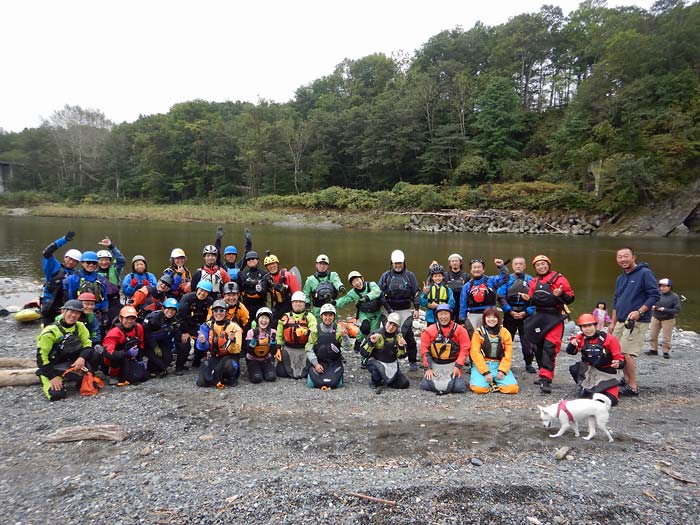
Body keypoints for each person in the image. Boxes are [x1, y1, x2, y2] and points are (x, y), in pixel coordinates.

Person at [609, 247, 659, 397]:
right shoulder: (620, 278)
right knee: (616, 350)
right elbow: (616, 300)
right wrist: (612, 322)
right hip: (621, 320)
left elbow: (654, 295)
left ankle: (633, 386)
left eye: (626, 256)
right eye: (620, 257)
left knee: (626, 353)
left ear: (633, 257)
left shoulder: (645, 273)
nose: (623, 259)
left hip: (637, 321)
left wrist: (640, 311)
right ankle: (625, 378)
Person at [522, 254, 575, 394]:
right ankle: (543, 373)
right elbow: (534, 300)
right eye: (538, 265)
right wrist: (528, 299)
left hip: (554, 318)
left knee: (549, 348)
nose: (541, 267)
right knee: (537, 347)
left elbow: (570, 298)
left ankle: (546, 379)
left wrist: (561, 294)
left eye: (543, 264)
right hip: (539, 316)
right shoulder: (534, 282)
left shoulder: (559, 279)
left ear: (548, 265)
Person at [36, 300, 102, 401]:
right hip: (54, 366)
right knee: (56, 395)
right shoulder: (50, 332)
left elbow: (88, 344)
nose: (73, 315)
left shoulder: (80, 326)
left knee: (95, 353)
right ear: (63, 311)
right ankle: (45, 376)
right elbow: (41, 357)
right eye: (71, 312)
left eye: (77, 313)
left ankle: (77, 376)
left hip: (72, 363)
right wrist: (52, 376)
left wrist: (81, 358)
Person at [566, 313, 625, 406]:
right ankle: (584, 386)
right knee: (574, 368)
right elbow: (571, 352)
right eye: (584, 327)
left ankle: (602, 389)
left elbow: (620, 359)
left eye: (590, 326)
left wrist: (618, 364)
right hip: (590, 370)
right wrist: (572, 344)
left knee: (612, 401)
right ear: (581, 328)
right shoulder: (580, 338)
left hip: (607, 372)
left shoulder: (610, 339)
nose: (588, 329)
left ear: (595, 325)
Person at [378, 249, 421, 371]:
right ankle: (388, 359)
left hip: (405, 309)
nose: (398, 266)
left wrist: (417, 308)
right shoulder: (385, 276)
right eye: (395, 263)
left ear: (404, 263)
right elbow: (379, 293)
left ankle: (412, 361)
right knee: (389, 335)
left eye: (400, 263)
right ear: (391, 263)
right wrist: (388, 309)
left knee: (408, 335)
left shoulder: (410, 276)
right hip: (389, 309)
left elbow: (416, 292)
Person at [497, 256, 536, 373]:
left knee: (528, 343)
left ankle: (528, 363)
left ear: (524, 266)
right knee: (506, 340)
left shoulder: (531, 280)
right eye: (516, 264)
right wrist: (509, 311)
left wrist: (526, 312)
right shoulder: (507, 280)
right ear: (512, 266)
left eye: (520, 264)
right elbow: (501, 297)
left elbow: (536, 299)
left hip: (526, 315)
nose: (518, 266)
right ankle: (504, 362)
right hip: (510, 315)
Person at [419, 304, 470, 394]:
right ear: (437, 316)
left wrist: (458, 366)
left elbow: (465, 349)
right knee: (425, 386)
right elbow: (424, 350)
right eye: (441, 314)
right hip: (435, 363)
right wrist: (428, 368)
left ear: (450, 315)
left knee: (459, 388)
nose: (443, 317)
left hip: (453, 363)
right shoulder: (429, 331)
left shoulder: (460, 330)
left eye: (446, 314)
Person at [195, 299, 244, 388]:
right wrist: (202, 342)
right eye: (215, 311)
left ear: (226, 312)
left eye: (221, 310)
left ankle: (230, 377)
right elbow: (202, 347)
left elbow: (237, 350)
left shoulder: (234, 327)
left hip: (229, 357)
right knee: (201, 382)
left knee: (229, 366)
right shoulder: (207, 326)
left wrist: (231, 342)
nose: (218, 313)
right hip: (215, 357)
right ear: (212, 312)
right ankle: (218, 377)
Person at [469, 308, 519, 394]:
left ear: (498, 319)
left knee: (512, 389)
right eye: (488, 317)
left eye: (494, 317)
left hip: (498, 364)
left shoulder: (504, 332)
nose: (491, 320)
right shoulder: (479, 332)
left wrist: (502, 370)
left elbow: (508, 353)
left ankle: (493, 381)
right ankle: (489, 381)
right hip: (483, 364)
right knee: (479, 389)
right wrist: (485, 372)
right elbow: (475, 353)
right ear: (484, 318)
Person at [336, 271, 383, 352]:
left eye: (357, 280)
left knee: (373, 333)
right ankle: (357, 344)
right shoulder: (353, 293)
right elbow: (344, 300)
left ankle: (369, 348)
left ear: (362, 279)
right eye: (354, 282)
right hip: (364, 313)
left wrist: (366, 298)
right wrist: (334, 303)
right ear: (352, 285)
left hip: (376, 313)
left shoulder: (371, 285)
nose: (357, 283)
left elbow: (377, 292)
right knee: (365, 327)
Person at [360, 312, 410, 390]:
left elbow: (401, 357)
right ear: (386, 321)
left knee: (404, 384)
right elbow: (363, 353)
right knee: (376, 375)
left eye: (394, 326)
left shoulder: (399, 337)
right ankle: (376, 381)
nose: (390, 327)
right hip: (376, 361)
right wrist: (371, 343)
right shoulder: (375, 333)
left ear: (398, 327)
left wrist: (401, 347)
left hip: (391, 363)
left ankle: (386, 380)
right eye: (390, 324)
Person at [459, 258, 508, 334]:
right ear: (471, 271)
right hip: (473, 315)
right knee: (473, 337)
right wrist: (462, 320)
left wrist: (501, 266)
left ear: (483, 270)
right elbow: (463, 304)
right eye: (474, 267)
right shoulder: (467, 286)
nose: (476, 269)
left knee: (491, 337)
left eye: (479, 267)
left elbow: (505, 278)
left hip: (490, 314)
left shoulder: (492, 281)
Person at [40, 231, 80, 325]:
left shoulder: (76, 275)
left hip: (66, 307)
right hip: (50, 306)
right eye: (69, 259)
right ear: (65, 258)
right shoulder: (54, 267)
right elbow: (47, 253)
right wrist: (63, 240)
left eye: (74, 261)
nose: (71, 262)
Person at [174, 281, 214, 374]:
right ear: (197, 289)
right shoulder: (187, 298)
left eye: (205, 292)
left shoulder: (209, 301)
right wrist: (184, 331)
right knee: (185, 344)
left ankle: (196, 361)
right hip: (184, 325)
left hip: (198, 326)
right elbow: (180, 316)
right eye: (201, 290)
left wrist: (205, 330)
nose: (202, 293)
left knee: (201, 341)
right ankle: (179, 366)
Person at [102, 305, 148, 386]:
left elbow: (141, 344)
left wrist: (140, 359)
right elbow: (108, 354)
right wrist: (127, 353)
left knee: (143, 377)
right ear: (120, 318)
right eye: (127, 318)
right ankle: (113, 375)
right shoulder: (114, 333)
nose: (130, 321)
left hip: (129, 357)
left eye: (132, 318)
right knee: (130, 378)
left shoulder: (138, 328)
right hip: (113, 361)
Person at [276, 291, 317, 379]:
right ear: (292, 303)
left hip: (304, 348)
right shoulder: (286, 317)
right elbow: (279, 334)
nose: (298, 304)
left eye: (300, 302)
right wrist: (278, 348)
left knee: (308, 371)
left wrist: (306, 331)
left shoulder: (310, 317)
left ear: (304, 304)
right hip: (289, 348)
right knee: (280, 371)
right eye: (295, 302)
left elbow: (315, 331)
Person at [306, 303, 347, 390]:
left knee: (337, 385)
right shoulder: (315, 329)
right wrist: (316, 364)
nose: (328, 318)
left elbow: (347, 348)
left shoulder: (339, 329)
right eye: (325, 315)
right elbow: (309, 348)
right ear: (321, 316)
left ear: (334, 316)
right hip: (319, 361)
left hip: (334, 361)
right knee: (311, 385)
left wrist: (345, 337)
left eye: (330, 315)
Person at [64, 251, 109, 324]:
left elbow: (104, 297)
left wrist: (105, 312)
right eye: (88, 262)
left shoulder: (100, 278)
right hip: (78, 311)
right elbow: (70, 297)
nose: (91, 265)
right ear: (82, 263)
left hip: (96, 311)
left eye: (94, 263)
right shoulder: (72, 278)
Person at [142, 297, 180, 377]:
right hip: (147, 343)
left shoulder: (174, 320)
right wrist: (155, 346)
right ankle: (151, 369)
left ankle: (158, 368)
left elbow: (174, 334)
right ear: (163, 308)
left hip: (161, 342)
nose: (170, 312)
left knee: (168, 358)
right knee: (159, 362)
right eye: (168, 309)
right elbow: (146, 334)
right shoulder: (154, 318)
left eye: (173, 310)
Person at [647, 278, 681, 359]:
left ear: (670, 287)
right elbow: (650, 302)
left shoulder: (674, 296)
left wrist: (664, 310)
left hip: (668, 319)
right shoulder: (657, 294)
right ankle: (653, 350)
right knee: (652, 335)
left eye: (665, 286)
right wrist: (651, 306)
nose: (662, 288)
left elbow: (677, 310)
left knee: (666, 338)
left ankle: (665, 352)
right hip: (655, 317)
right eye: (661, 286)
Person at [95, 236, 126, 325]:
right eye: (101, 260)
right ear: (97, 261)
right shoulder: (94, 272)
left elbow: (121, 260)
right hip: (100, 301)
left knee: (115, 322)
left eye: (106, 260)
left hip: (114, 301)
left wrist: (111, 246)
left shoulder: (115, 269)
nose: (104, 262)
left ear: (110, 261)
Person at [264, 253, 301, 324]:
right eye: (269, 265)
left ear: (277, 264)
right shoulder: (267, 278)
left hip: (290, 305)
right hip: (278, 305)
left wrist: (295, 311)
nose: (271, 266)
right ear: (267, 267)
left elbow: (297, 293)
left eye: (273, 264)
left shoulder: (288, 276)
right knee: (273, 323)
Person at [244, 307, 278, 384]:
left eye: (266, 318)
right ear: (257, 319)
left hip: (266, 359)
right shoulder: (251, 332)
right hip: (253, 359)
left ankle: (265, 369)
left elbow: (273, 351)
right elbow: (249, 350)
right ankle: (254, 370)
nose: (264, 321)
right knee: (257, 378)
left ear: (270, 321)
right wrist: (254, 340)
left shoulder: (273, 332)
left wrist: (273, 342)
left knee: (271, 377)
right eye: (262, 318)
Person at [237, 251, 269, 322]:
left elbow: (265, 288)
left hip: (260, 303)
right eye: (248, 259)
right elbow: (240, 287)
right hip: (246, 304)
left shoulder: (264, 274)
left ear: (257, 260)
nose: (251, 260)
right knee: (246, 323)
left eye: (253, 259)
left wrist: (254, 284)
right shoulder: (243, 274)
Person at [445, 253, 468, 319]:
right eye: (452, 261)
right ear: (450, 263)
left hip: (461, 304)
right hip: (449, 303)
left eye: (456, 261)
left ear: (460, 263)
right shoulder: (445, 275)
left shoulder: (466, 276)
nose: (454, 263)